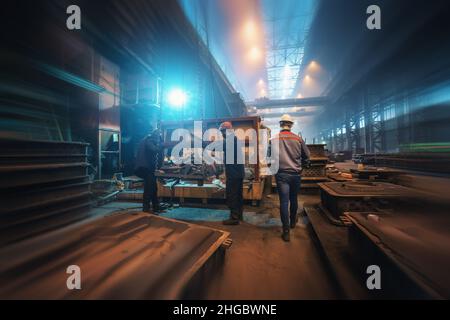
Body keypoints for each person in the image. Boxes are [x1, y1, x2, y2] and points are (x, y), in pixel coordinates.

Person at [272, 114, 310, 242]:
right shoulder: (298, 139)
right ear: (291, 125)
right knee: (294, 199)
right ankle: (293, 221)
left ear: (280, 124)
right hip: (295, 175)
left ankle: (286, 231)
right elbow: (307, 156)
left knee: (283, 202)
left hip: (281, 175)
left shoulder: (274, 139)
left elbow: (268, 157)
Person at [219, 121, 245, 225]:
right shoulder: (234, 139)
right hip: (238, 173)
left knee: (232, 195)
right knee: (238, 195)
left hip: (233, 174)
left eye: (222, 132)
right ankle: (239, 215)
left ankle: (234, 218)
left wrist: (201, 144)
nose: (222, 134)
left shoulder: (230, 140)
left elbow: (216, 147)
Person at [135, 129, 164, 214]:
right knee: (149, 189)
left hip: (147, 168)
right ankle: (146, 209)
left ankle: (156, 207)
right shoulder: (149, 141)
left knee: (153, 188)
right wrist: (163, 145)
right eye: (159, 137)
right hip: (145, 168)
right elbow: (155, 149)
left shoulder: (146, 140)